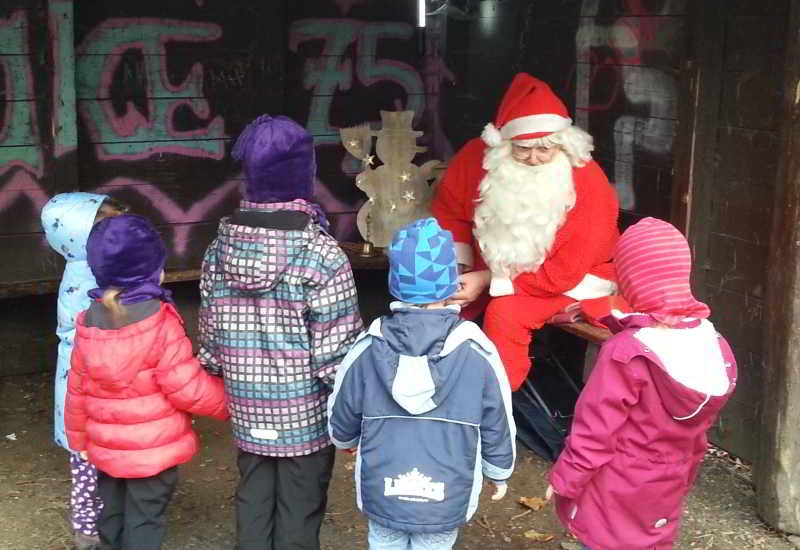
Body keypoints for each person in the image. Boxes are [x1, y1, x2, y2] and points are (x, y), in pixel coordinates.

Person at [198, 115, 363, 550]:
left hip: (247, 407)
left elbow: (211, 343)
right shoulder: (322, 254)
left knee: (252, 495)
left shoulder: (219, 248)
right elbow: (337, 358)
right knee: (301, 506)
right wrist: (355, 408)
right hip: (305, 417)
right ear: (304, 175)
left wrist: (222, 369)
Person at [546, 217, 737, 550]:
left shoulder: (627, 353)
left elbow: (596, 430)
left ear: (630, 280)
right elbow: (698, 434)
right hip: (668, 482)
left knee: (602, 540)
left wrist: (566, 479)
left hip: (617, 482)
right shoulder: (714, 344)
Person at [328, 218, 516, 550]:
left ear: (395, 284)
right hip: (446, 494)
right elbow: (497, 419)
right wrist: (497, 470)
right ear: (451, 284)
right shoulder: (477, 353)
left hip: (384, 491)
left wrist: (346, 439)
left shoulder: (368, 347)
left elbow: (342, 413)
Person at [430, 72, 619, 391]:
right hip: (492, 269)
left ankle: (492, 405)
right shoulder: (478, 158)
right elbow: (450, 211)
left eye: (545, 149)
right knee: (437, 302)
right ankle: (429, 392)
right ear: (504, 144)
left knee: (505, 313)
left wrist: (489, 280)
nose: (534, 158)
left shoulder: (588, 182)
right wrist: (457, 268)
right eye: (523, 148)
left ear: (565, 144)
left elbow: (564, 273)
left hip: (569, 278)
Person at [64, 214, 228, 550]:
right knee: (144, 520)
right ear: (153, 271)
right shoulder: (160, 323)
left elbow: (76, 390)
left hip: (106, 450)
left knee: (112, 513)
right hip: (152, 453)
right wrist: (231, 403)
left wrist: (78, 440)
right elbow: (186, 387)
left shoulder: (88, 322)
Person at [40, 192, 128, 550]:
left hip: (78, 387)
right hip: (89, 386)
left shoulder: (82, 267)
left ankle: (93, 525)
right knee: (92, 462)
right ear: (80, 238)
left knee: (88, 462)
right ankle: (92, 531)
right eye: (108, 224)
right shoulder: (92, 275)